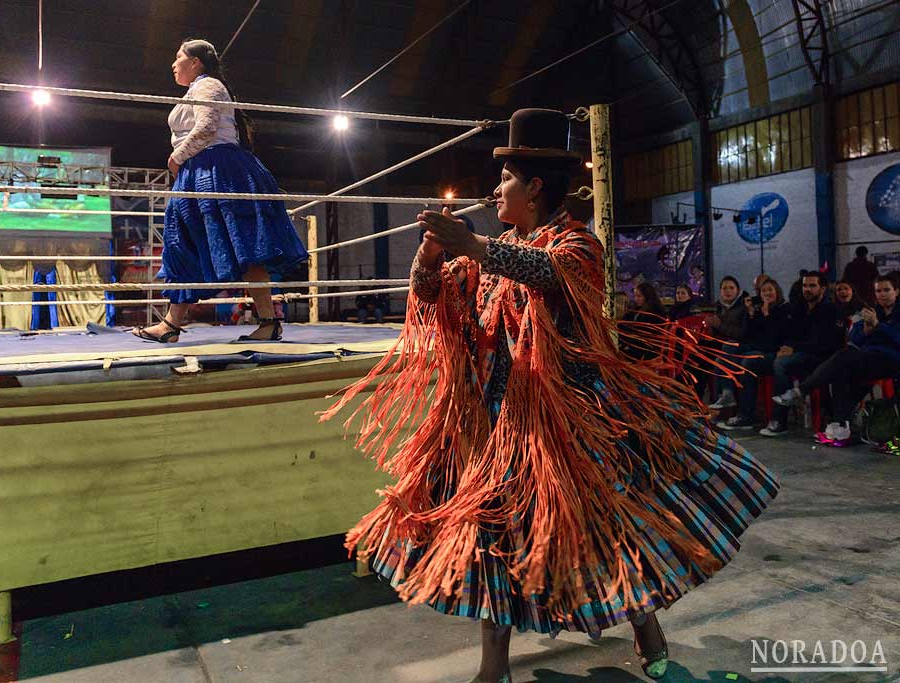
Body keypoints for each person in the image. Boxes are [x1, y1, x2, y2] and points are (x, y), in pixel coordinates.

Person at [320, 109, 778, 683]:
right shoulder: (490, 250)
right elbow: (431, 294)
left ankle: (646, 628)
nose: (496, 188)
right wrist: (429, 257)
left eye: (505, 177)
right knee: (494, 534)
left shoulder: (575, 245)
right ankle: (494, 669)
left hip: (570, 425)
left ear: (534, 187)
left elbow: (548, 273)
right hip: (498, 423)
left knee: (605, 531)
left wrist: (475, 244)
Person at [132, 38, 308, 343]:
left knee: (244, 245)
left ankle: (267, 321)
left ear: (195, 62)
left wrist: (176, 157)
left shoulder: (208, 85)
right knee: (183, 243)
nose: (173, 64)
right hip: (201, 172)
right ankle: (172, 323)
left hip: (217, 170)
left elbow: (207, 127)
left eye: (178, 57)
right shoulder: (196, 90)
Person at [774, 275, 900, 444]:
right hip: (868, 358)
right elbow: (854, 339)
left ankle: (802, 391)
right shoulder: (871, 311)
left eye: (886, 290)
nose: (882, 294)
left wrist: (879, 326)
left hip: (892, 361)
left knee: (843, 358)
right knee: (841, 369)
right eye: (878, 290)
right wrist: (866, 331)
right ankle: (840, 426)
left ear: (896, 291)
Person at [760, 271, 838, 437]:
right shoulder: (799, 308)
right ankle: (746, 414)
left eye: (812, 286)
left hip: (820, 357)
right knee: (753, 361)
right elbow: (789, 333)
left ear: (822, 288)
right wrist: (787, 346)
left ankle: (779, 420)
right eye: (805, 285)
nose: (807, 289)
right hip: (799, 353)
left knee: (781, 364)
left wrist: (793, 348)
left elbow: (824, 343)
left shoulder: (830, 310)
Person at [716, 278, 790, 429]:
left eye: (770, 290)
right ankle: (727, 393)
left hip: (773, 352)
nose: (767, 293)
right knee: (727, 350)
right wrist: (751, 314)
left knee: (747, 362)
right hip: (758, 348)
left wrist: (767, 315)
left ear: (777, 291)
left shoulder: (783, 309)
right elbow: (750, 334)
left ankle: (746, 415)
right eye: (763, 291)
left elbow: (774, 339)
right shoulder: (759, 309)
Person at [619, 281, 666, 360]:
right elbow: (624, 324)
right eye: (635, 296)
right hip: (635, 344)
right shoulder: (637, 309)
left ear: (647, 296)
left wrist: (629, 344)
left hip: (646, 349)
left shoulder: (654, 311)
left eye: (639, 296)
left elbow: (646, 334)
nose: (636, 299)